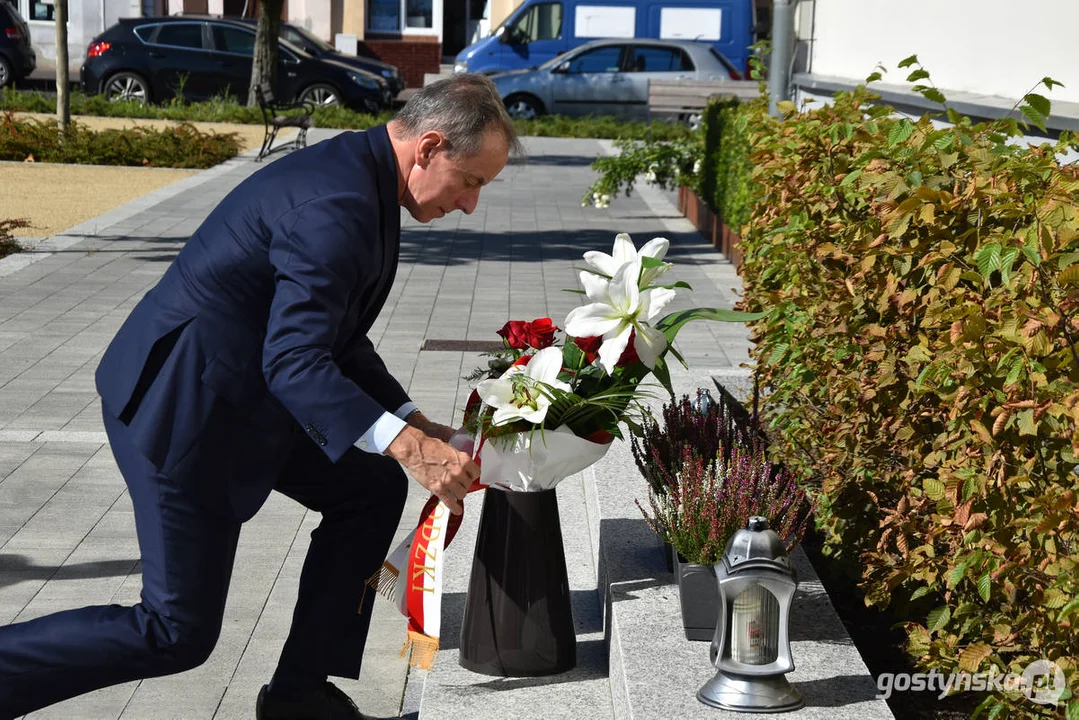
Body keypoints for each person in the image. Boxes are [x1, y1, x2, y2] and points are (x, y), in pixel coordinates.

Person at [0, 73, 523, 719]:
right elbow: (296, 360)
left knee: (369, 487)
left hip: (245, 393)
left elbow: (340, 341)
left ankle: (297, 699)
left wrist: (415, 425)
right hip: (184, 405)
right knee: (175, 631)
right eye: (471, 181)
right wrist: (408, 445)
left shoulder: (362, 178)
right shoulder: (337, 206)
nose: (470, 205)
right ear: (429, 147)